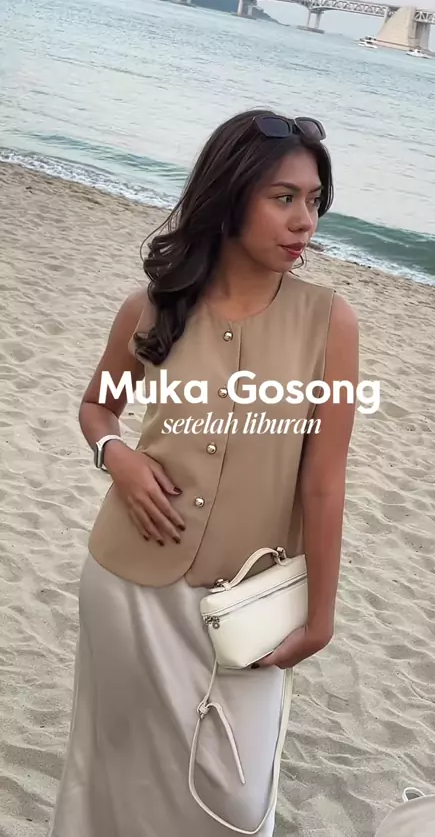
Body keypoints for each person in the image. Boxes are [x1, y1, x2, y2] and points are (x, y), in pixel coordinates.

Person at [48, 108, 359, 837]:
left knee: (234, 805)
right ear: (230, 196)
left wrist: (321, 616)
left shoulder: (329, 322)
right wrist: (116, 457)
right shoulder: (153, 306)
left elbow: (324, 482)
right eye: (284, 198)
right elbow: (98, 407)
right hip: (128, 586)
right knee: (113, 773)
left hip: (247, 605)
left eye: (314, 200)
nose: (305, 221)